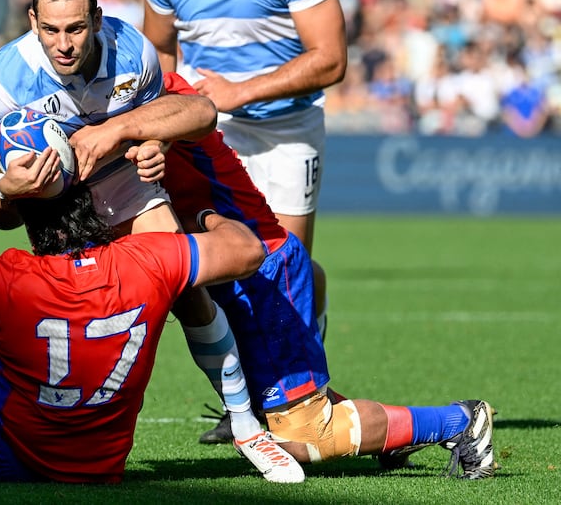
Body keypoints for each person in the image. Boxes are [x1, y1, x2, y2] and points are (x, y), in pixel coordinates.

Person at [0, 0, 301, 481]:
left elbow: (181, 117)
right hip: (50, 199)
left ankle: (245, 425)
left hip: (122, 184)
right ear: (33, 22)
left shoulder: (133, 55)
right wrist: (6, 183)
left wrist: (151, 145)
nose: (64, 43)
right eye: (50, 29)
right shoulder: (7, 75)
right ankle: (15, 415)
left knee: (188, 289)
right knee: (0, 221)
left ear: (97, 20)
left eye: (76, 28)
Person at [139, 71, 496, 480]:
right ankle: (392, 432)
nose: (64, 45)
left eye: (75, 30)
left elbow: (195, 112)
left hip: (260, 269)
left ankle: (461, 422)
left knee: (306, 436)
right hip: (219, 267)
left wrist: (139, 135)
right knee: (288, 418)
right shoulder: (79, 88)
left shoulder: (140, 75)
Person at [0, 175, 269, 482]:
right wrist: (206, 216)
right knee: (11, 394)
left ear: (34, 227)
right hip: (100, 466)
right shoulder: (147, 260)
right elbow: (249, 251)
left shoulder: (14, 277)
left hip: (5, 458)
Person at [142, 0, 349, 442]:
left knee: (286, 269)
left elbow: (330, 58)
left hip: (286, 131)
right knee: (219, 275)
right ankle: (249, 403)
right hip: (212, 136)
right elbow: (157, 52)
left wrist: (239, 90)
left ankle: (290, 408)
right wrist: (169, 114)